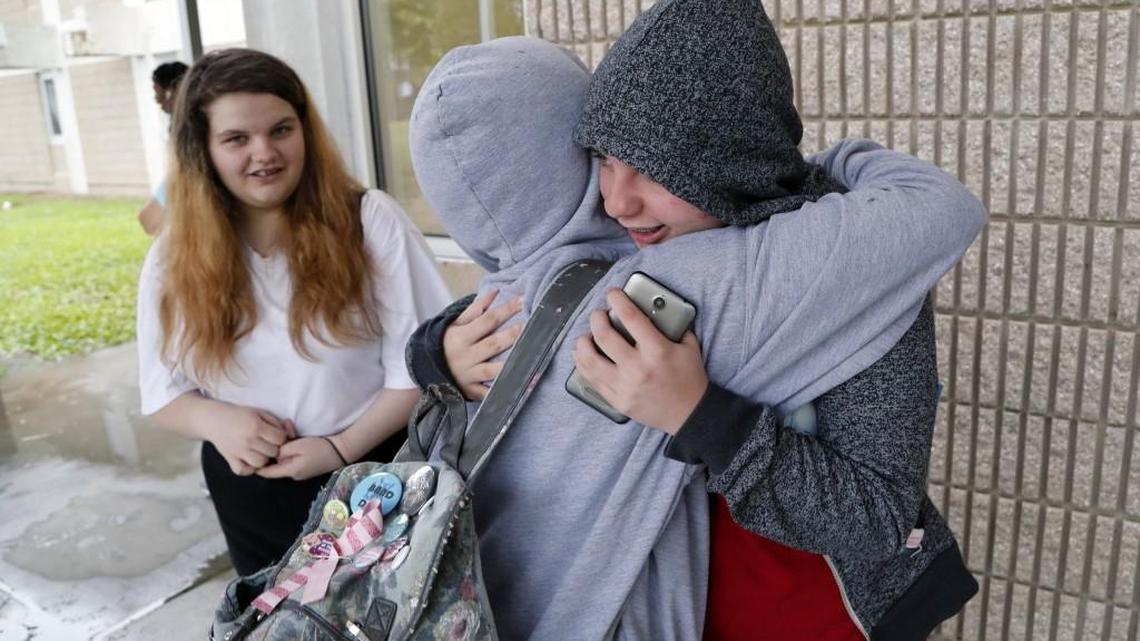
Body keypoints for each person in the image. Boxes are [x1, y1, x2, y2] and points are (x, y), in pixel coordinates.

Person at [407, 31, 981, 641]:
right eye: (601, 158)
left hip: (819, 612)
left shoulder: (847, 278)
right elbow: (517, 293)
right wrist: (435, 352)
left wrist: (701, 415)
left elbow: (877, 520)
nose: (616, 200)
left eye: (652, 167)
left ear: (726, 158)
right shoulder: (623, 260)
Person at [136, 48, 452, 576]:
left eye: (280, 129)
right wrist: (219, 421)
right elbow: (161, 392)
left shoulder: (369, 221)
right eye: (237, 139)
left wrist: (339, 447)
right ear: (204, 150)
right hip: (251, 493)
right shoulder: (173, 257)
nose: (265, 152)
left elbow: (421, 365)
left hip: (373, 472)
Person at [138, 61, 190, 236]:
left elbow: (149, 222)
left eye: (159, 92)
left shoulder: (192, 126)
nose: (157, 99)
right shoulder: (180, 123)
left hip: (185, 184)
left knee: (149, 220)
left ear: (174, 90)